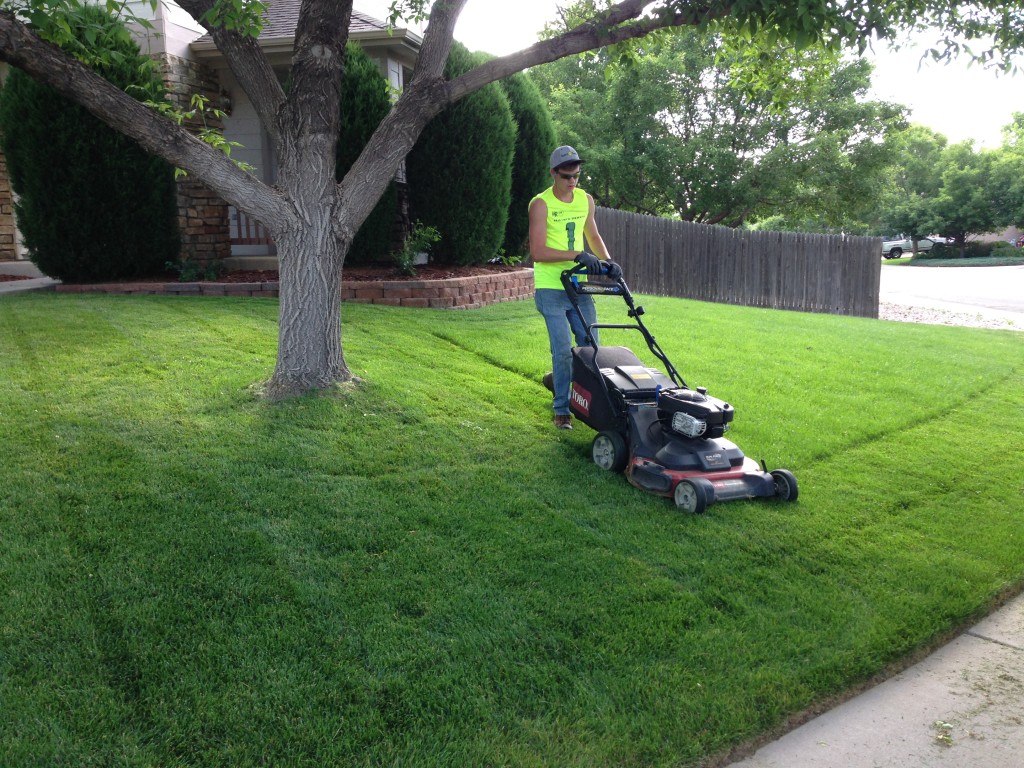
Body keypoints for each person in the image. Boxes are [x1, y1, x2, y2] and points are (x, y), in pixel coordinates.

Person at [529, 145, 621, 430]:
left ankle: (564, 384)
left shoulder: (585, 200)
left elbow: (592, 234)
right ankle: (562, 410)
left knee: (590, 346)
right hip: (551, 288)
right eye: (566, 176)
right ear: (553, 173)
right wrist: (575, 255)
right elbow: (538, 251)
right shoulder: (540, 204)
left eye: (576, 176)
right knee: (562, 350)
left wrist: (607, 262)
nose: (572, 182)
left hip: (577, 288)